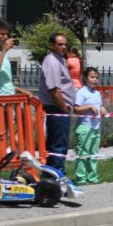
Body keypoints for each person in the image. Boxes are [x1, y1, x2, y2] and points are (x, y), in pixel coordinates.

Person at [38, 32, 76, 173]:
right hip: (57, 108)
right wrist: (65, 110)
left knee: (57, 144)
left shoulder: (59, 59)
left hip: (60, 108)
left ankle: (50, 177)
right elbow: (54, 90)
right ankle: (58, 177)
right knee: (58, 146)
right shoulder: (52, 62)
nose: (64, 47)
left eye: (65, 44)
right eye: (60, 44)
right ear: (52, 45)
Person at [72, 66, 107, 185]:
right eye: (92, 77)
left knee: (93, 154)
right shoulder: (81, 92)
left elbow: (99, 105)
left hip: (96, 128)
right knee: (83, 154)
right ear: (85, 78)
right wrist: (88, 107)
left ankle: (92, 177)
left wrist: (102, 109)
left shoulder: (97, 93)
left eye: (96, 77)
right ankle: (81, 178)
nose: (95, 80)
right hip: (84, 128)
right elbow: (76, 109)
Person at [0, 18, 29, 97]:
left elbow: (4, 84)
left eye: (7, 34)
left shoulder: (1, 53)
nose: (6, 37)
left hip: (8, 103)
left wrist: (21, 90)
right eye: (2, 34)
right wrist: (4, 50)